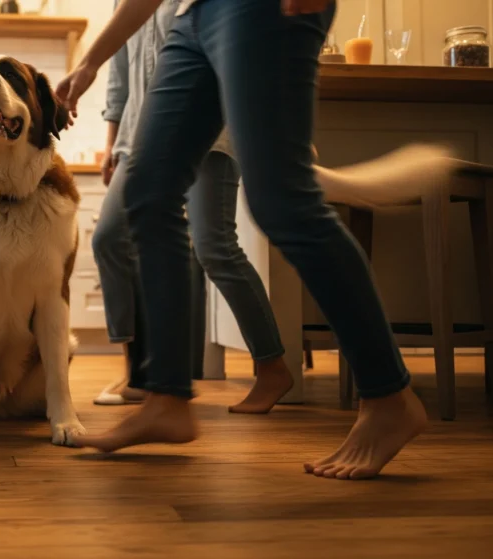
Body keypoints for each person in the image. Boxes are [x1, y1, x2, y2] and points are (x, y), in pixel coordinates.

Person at [57, 0, 428, 480]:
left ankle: (388, 396)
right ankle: (165, 398)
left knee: (282, 204)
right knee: (148, 193)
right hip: (192, 17)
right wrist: (90, 61)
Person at [93, 0, 293, 414]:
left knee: (214, 247)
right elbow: (119, 75)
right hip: (139, 138)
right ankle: (139, 372)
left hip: (205, 130)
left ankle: (273, 367)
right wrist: (112, 142)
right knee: (110, 237)